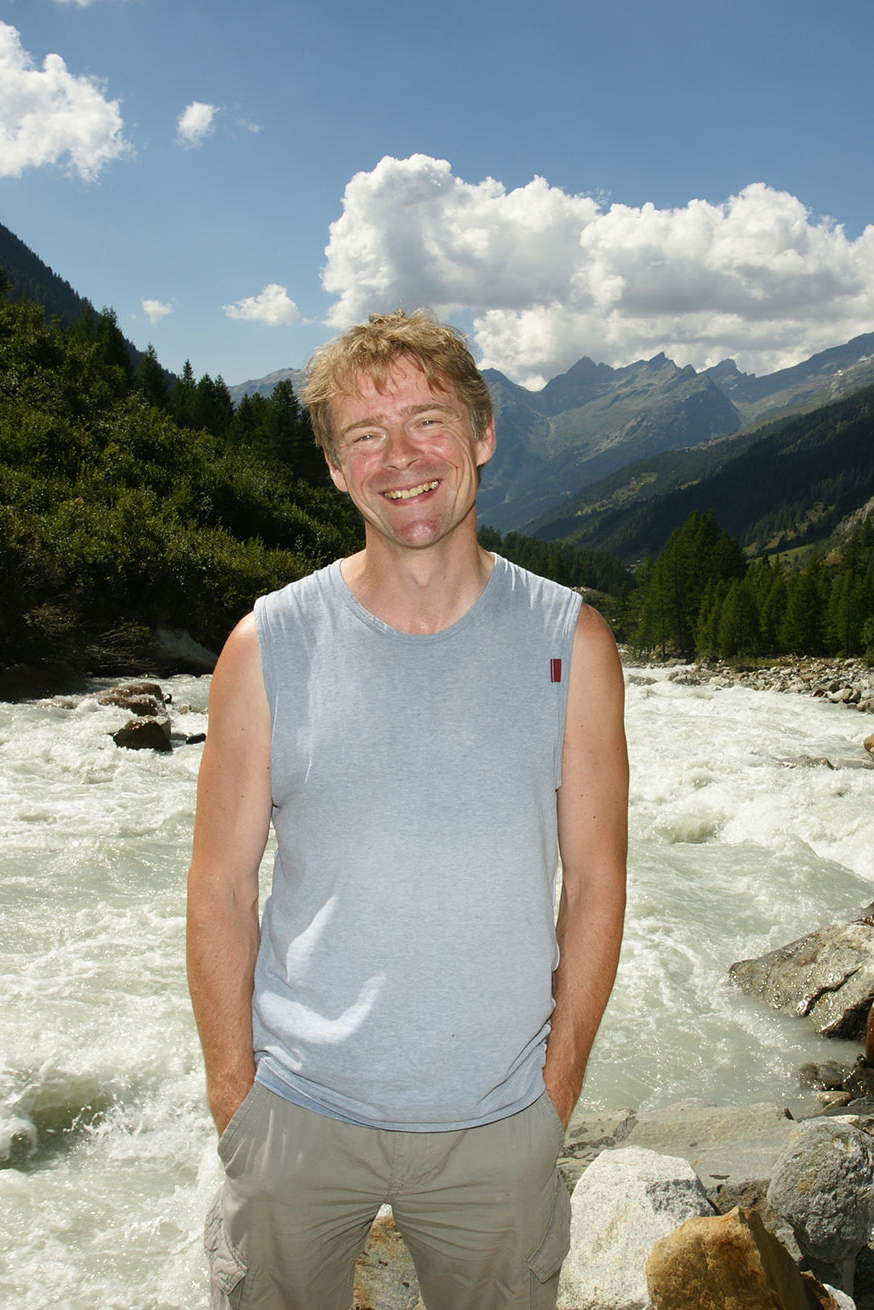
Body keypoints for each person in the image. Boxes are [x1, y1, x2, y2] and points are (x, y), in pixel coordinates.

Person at [186, 309, 628, 1309]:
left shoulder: (573, 642)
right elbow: (218, 888)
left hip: (498, 1118)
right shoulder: (265, 647)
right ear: (335, 469)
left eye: (427, 422)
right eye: (363, 437)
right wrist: (236, 1103)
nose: (400, 458)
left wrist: (551, 1099)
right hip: (296, 1113)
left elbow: (596, 882)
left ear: (482, 433)